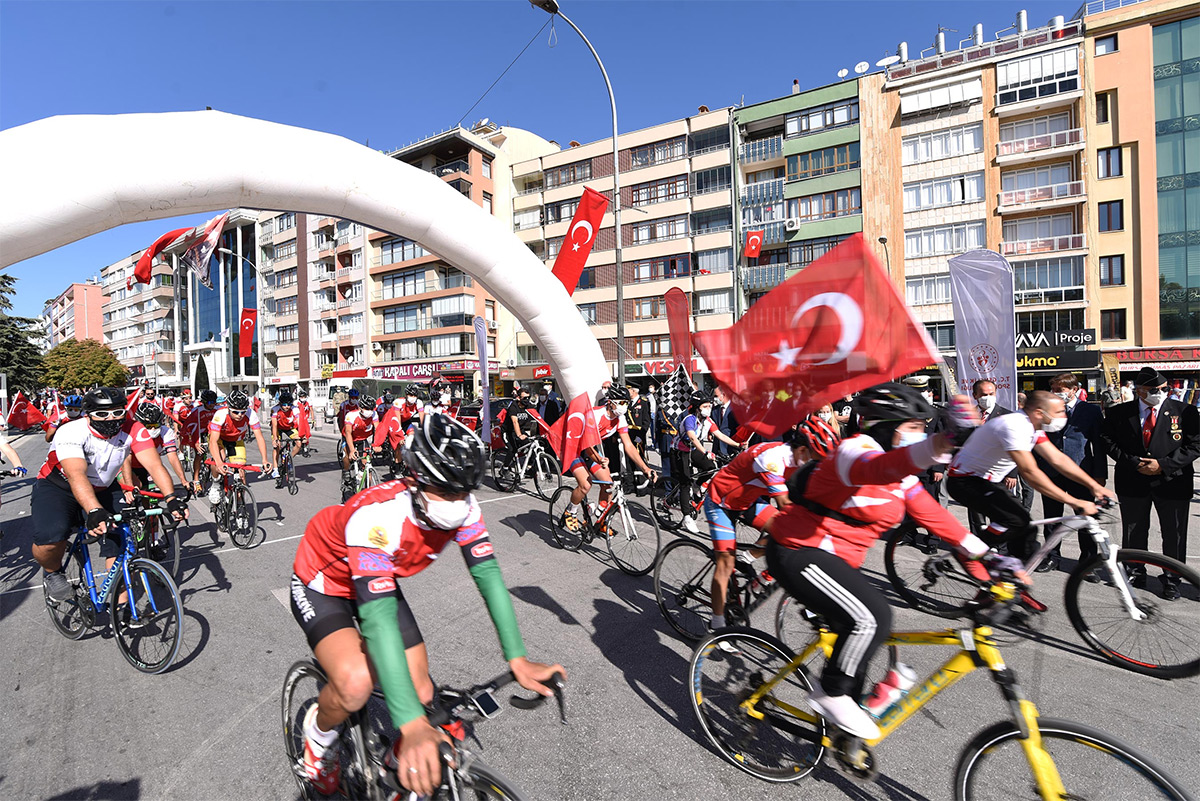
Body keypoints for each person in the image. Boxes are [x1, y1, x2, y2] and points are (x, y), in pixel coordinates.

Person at [290, 414, 565, 796]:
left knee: (422, 693)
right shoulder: (379, 517)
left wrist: (517, 657)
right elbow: (379, 621)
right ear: (418, 479)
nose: (457, 503)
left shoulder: (465, 508)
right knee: (355, 684)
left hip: (375, 578)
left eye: (464, 491)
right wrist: (410, 724)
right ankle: (318, 741)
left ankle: (395, 765)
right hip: (324, 582)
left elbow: (489, 578)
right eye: (445, 491)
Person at [767, 383, 996, 740]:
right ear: (887, 426)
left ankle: (843, 730)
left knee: (863, 639)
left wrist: (990, 564)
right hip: (798, 550)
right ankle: (831, 694)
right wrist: (944, 440)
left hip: (836, 562)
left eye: (924, 428)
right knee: (873, 617)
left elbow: (936, 518)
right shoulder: (855, 452)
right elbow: (879, 469)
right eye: (914, 427)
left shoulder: (902, 476)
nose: (921, 434)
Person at [947, 392, 1116, 596]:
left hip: (989, 481)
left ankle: (1007, 583)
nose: (1063, 416)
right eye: (1059, 412)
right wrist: (1075, 502)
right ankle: (967, 552)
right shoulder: (1014, 426)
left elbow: (1058, 459)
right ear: (1039, 412)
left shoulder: (1032, 427)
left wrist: (1094, 486)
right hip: (965, 480)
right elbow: (1030, 473)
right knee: (1015, 520)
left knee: (1026, 531)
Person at [32, 388, 187, 602]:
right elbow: (76, 475)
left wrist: (171, 498)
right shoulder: (70, 431)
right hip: (58, 487)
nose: (111, 418)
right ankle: (52, 572)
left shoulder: (134, 428)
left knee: (119, 544)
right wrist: (94, 510)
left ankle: (121, 608)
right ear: (88, 415)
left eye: (117, 412)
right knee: (51, 537)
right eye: (102, 414)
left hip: (104, 487)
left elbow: (154, 465)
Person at [704, 415, 839, 634]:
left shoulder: (799, 460)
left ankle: (756, 570)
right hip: (720, 501)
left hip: (747, 501)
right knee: (725, 564)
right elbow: (785, 505)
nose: (817, 465)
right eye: (817, 459)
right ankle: (717, 625)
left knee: (790, 533)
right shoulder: (773, 458)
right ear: (802, 450)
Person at [1099, 367, 1200, 600]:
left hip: (1173, 481)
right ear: (1140, 391)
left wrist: (1163, 465)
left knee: (1174, 534)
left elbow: (1195, 444)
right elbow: (1107, 440)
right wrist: (1132, 462)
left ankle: (1172, 578)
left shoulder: (1185, 411)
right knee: (1134, 531)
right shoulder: (1120, 412)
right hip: (1133, 480)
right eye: (1154, 390)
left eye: (1164, 389)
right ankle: (1135, 570)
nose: (1160, 393)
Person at [1035, 373, 1107, 573]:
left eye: (1060, 390)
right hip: (1052, 471)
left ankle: (1088, 563)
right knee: (1052, 518)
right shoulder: (1047, 409)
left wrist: (1099, 475)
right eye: (1053, 389)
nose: (1056, 393)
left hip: (1080, 471)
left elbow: (1098, 444)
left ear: (1074, 389)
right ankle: (1052, 557)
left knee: (1085, 518)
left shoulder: (1090, 411)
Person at [560, 385, 657, 533]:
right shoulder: (595, 415)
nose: (624, 406)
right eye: (621, 402)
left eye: (626, 403)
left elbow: (629, 446)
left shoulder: (620, 418)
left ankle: (600, 521)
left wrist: (646, 468)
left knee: (608, 484)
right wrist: (600, 459)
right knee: (585, 484)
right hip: (574, 448)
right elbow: (586, 445)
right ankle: (570, 510)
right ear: (610, 402)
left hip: (591, 449)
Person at [672, 390, 742, 534]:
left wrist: (738, 445)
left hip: (693, 449)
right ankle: (687, 517)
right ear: (697, 408)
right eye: (705, 406)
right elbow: (692, 437)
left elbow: (720, 435)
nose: (708, 408)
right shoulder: (690, 419)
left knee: (710, 467)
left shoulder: (708, 421)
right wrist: (705, 452)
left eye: (709, 406)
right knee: (685, 482)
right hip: (680, 451)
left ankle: (697, 486)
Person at [206, 389, 271, 504]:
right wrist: (219, 463)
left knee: (241, 472)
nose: (240, 415)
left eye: (243, 412)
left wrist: (265, 460)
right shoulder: (221, 414)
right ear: (228, 408)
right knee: (218, 460)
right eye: (235, 412)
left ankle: (240, 506)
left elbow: (259, 438)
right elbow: (213, 442)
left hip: (236, 440)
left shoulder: (251, 413)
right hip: (219, 439)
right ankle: (215, 484)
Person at [125, 403, 189, 491]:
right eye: (149, 426)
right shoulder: (130, 432)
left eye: (156, 426)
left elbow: (173, 457)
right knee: (137, 486)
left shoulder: (166, 432)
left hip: (149, 465)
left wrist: (183, 480)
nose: (153, 429)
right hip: (128, 466)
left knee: (160, 489)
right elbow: (125, 460)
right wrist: (129, 484)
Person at [341, 395, 378, 502]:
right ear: (360, 408)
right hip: (350, 438)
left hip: (362, 439)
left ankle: (367, 491)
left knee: (367, 463)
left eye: (371, 409)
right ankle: (346, 472)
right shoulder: (351, 415)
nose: (369, 411)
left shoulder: (374, 414)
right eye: (367, 408)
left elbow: (378, 429)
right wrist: (352, 450)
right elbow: (348, 433)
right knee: (348, 456)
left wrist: (377, 444)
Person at [502, 387, 541, 473]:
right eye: (524, 398)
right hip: (508, 431)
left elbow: (538, 418)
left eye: (528, 397)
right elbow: (515, 422)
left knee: (531, 447)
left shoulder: (529, 406)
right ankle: (504, 468)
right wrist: (519, 435)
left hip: (520, 429)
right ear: (518, 398)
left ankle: (529, 468)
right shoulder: (513, 407)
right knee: (512, 449)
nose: (527, 400)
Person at [271, 392, 304, 488]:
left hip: (289, 428)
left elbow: (299, 422)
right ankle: (275, 469)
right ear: (280, 404)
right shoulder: (275, 409)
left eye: (289, 404)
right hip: (278, 428)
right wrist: (275, 439)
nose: (287, 407)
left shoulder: (295, 409)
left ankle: (289, 459)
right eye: (284, 404)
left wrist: (302, 435)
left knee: (299, 443)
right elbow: (274, 425)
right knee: (277, 446)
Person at [711, 386, 739, 458]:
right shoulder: (714, 410)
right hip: (717, 449)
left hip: (730, 447)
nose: (714, 398)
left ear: (723, 394)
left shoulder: (735, 409)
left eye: (716, 396)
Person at [625, 384, 651, 460]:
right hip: (628, 433)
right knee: (628, 456)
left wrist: (641, 436)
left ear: (633, 391)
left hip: (638, 433)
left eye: (629, 389)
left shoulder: (643, 403)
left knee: (639, 456)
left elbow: (646, 421)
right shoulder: (627, 403)